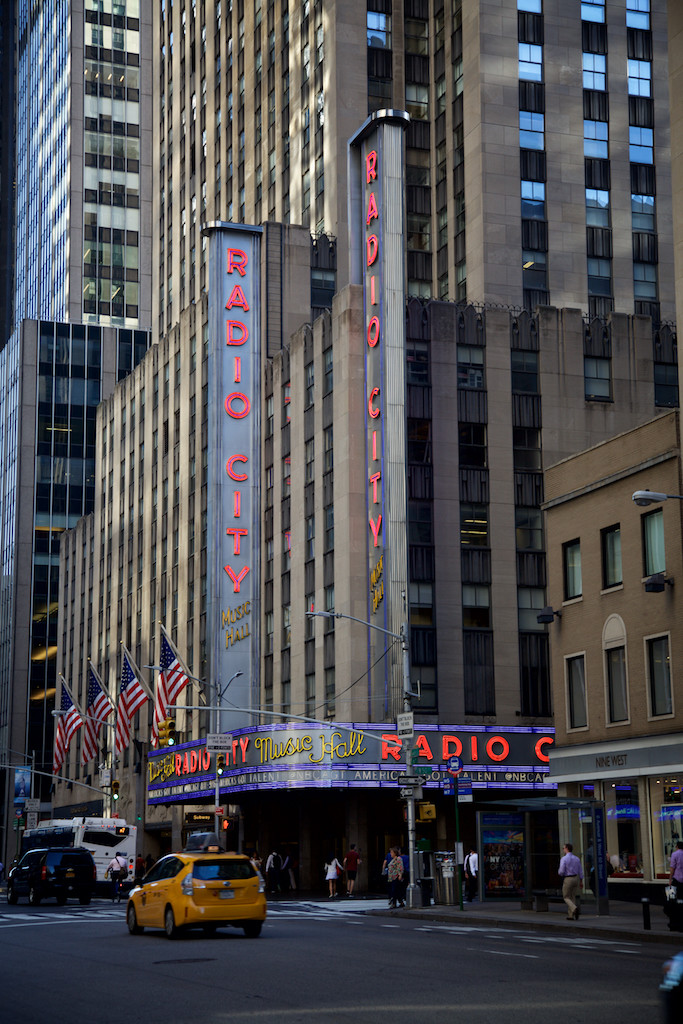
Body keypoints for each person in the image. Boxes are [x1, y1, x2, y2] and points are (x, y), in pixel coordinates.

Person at [558, 842, 583, 920]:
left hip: (568, 878)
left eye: (563, 848)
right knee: (572, 897)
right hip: (576, 878)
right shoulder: (577, 858)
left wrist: (560, 874)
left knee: (566, 896)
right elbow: (580, 871)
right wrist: (581, 880)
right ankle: (570, 915)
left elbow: (561, 871)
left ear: (566, 849)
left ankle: (574, 908)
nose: (563, 849)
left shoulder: (564, 858)